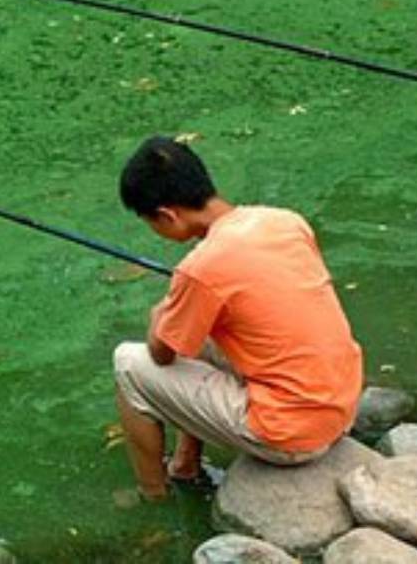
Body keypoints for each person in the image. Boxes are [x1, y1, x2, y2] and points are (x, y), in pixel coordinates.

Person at [112, 136, 363, 500]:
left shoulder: (200, 269)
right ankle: (185, 462)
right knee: (197, 331)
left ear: (167, 214)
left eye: (149, 221)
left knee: (127, 364)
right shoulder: (284, 221)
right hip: (342, 406)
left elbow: (162, 355)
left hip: (292, 435)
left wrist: (158, 318)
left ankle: (152, 493)